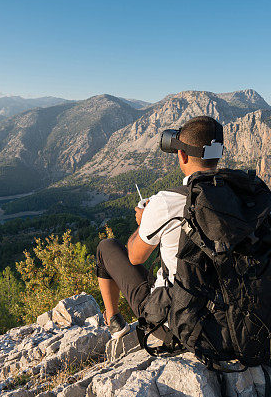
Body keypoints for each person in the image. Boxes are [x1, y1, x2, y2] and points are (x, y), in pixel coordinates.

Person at [95, 116, 224, 339]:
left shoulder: (167, 202)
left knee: (106, 247)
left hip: (180, 327)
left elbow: (135, 258)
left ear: (182, 155)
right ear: (218, 154)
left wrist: (145, 222)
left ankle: (113, 321)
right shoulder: (240, 197)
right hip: (232, 323)